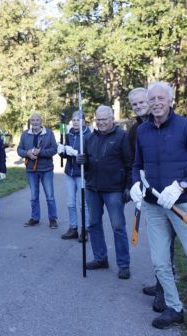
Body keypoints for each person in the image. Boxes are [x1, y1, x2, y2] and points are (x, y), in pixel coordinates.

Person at [131, 81, 187, 329]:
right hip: (154, 206)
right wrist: (135, 185)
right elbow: (137, 165)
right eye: (153, 99)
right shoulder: (142, 131)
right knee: (160, 262)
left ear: (171, 101)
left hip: (185, 205)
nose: (156, 103)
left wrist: (182, 185)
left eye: (162, 98)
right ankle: (174, 308)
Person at [76, 105, 132, 279]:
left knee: (118, 227)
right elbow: (86, 162)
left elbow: (130, 163)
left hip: (114, 189)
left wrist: (129, 187)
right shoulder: (90, 138)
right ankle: (100, 258)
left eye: (104, 119)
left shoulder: (122, 137)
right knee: (93, 224)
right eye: (98, 119)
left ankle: (123, 265)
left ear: (112, 119)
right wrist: (81, 160)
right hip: (93, 187)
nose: (101, 123)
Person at [128, 87, 168, 312]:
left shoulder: (165, 122)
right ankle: (160, 282)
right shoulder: (136, 129)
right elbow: (132, 160)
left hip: (167, 193)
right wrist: (132, 186)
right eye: (134, 104)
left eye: (142, 101)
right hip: (146, 192)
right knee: (157, 243)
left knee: (166, 245)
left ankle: (164, 294)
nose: (139, 105)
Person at [17, 113, 58, 228]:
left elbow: (54, 149)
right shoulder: (25, 134)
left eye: (37, 120)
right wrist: (27, 153)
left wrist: (41, 153)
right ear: (30, 122)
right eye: (33, 120)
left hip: (46, 169)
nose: (35, 122)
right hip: (31, 170)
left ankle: (53, 219)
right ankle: (35, 218)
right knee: (34, 196)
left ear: (41, 121)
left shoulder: (49, 133)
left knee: (50, 196)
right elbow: (19, 149)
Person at [57, 111, 91, 242]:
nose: (76, 122)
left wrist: (77, 153)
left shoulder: (88, 135)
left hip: (81, 173)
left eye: (78, 119)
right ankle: (73, 228)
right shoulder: (69, 133)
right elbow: (66, 153)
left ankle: (85, 229)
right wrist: (62, 152)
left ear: (84, 121)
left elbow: (91, 155)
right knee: (70, 202)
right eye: (74, 120)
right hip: (69, 172)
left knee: (83, 204)